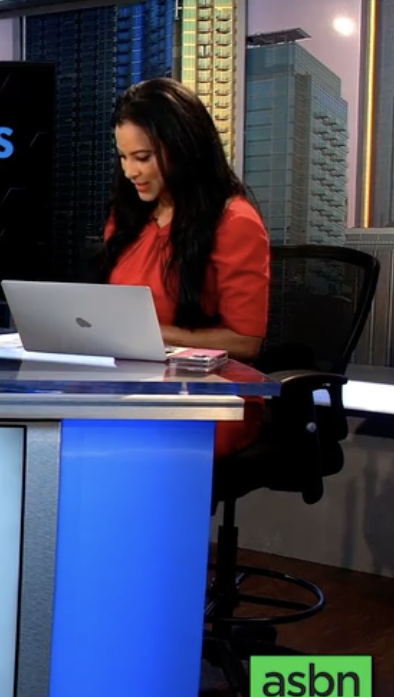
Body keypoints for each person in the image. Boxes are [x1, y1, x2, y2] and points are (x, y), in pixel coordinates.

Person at [98, 77, 271, 458]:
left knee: (121, 446)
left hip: (212, 393)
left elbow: (246, 342)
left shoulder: (234, 222)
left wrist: (154, 335)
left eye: (143, 157)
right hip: (133, 382)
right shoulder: (127, 220)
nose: (130, 171)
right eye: (123, 157)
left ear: (184, 149)